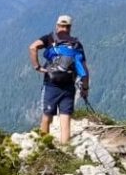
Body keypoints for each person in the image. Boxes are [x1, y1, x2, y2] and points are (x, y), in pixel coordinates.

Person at [29, 14, 89, 142]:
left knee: (47, 117)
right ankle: (65, 149)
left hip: (51, 84)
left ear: (57, 26)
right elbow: (84, 69)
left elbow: (32, 47)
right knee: (65, 119)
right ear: (70, 27)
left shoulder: (50, 38)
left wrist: (37, 67)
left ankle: (43, 145)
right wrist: (85, 88)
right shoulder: (76, 44)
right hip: (68, 86)